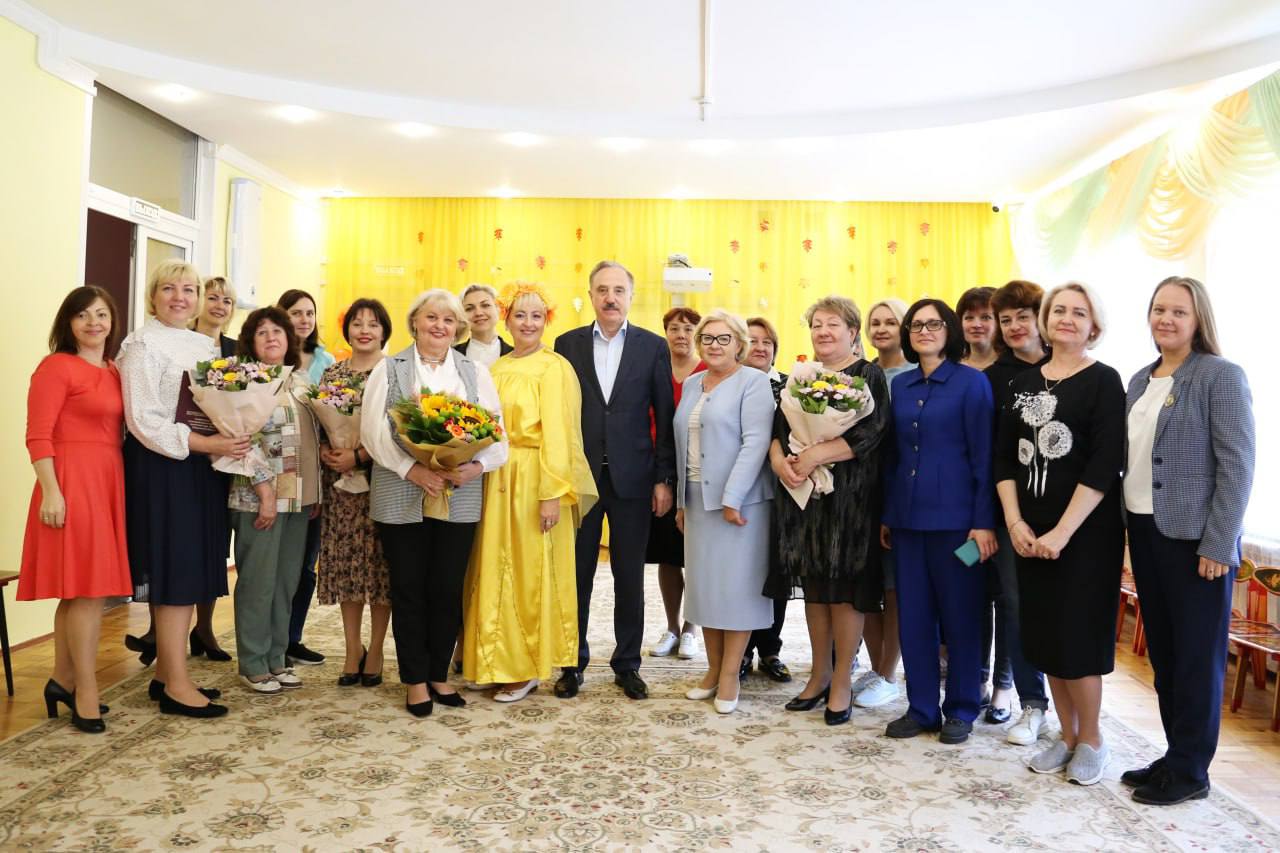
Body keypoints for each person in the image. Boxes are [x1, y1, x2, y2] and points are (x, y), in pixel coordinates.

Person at [1120, 277, 1254, 806]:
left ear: (1198, 320)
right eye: (1159, 309)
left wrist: (1219, 544)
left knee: (1197, 660)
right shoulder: (1140, 379)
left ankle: (1192, 771)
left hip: (1197, 542)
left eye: (1179, 311)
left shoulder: (1220, 375)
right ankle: (1176, 753)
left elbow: (1238, 466)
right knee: (1166, 655)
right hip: (1145, 532)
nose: (1166, 319)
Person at [995, 282, 1125, 785]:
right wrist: (1015, 522)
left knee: (1078, 639)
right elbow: (1004, 459)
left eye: (1079, 312)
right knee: (1045, 636)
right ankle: (1066, 738)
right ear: (1046, 321)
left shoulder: (1104, 380)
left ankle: (1091, 739)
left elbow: (1105, 464)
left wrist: (1063, 532)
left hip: (1085, 535)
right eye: (1059, 310)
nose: (1067, 318)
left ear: (1094, 326)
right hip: (1029, 532)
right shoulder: (1022, 383)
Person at [362, 288, 507, 717]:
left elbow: (497, 437)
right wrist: (413, 470)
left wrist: (474, 467)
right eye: (431, 317)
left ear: (458, 327)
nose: (440, 326)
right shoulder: (389, 368)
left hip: (459, 495)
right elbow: (373, 433)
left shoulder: (475, 372)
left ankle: (439, 674)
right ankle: (415, 681)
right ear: (415, 322)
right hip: (400, 492)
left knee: (446, 588)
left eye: (448, 319)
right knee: (408, 589)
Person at [119, 261, 246, 718]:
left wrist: (231, 432)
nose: (179, 297)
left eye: (188, 289)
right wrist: (207, 443)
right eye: (169, 288)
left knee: (191, 570)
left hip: (201, 468)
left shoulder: (202, 345)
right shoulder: (141, 344)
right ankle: (176, 684)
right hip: (163, 468)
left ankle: (164, 675)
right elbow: (142, 420)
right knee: (175, 570)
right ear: (153, 296)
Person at [462, 282, 596, 702]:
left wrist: (551, 493)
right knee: (492, 567)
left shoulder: (554, 368)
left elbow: (560, 434)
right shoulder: (496, 368)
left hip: (534, 479)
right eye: (520, 315)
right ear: (507, 319)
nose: (528, 323)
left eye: (536, 316)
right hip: (496, 477)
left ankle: (525, 668)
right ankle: (493, 660)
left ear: (546, 321)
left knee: (527, 572)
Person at [553, 260, 676, 701]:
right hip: (580, 479)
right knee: (576, 575)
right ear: (590, 296)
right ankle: (571, 663)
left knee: (628, 577)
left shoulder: (652, 346)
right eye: (602, 290)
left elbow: (665, 415)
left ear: (630, 297)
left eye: (618, 290)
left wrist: (663, 478)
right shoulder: (566, 344)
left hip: (634, 478)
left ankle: (627, 665)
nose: (610, 298)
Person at [765, 295, 889, 726]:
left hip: (851, 500)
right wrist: (781, 463)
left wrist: (816, 455)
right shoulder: (803, 376)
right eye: (817, 324)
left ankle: (841, 681)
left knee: (845, 590)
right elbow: (779, 428)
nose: (823, 331)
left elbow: (873, 431)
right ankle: (818, 675)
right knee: (815, 588)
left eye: (833, 324)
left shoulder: (868, 375)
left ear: (852, 332)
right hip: (804, 497)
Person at [881, 299, 996, 745]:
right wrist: (889, 515)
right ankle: (922, 708)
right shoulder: (902, 385)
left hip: (959, 527)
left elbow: (984, 458)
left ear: (949, 330)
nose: (924, 331)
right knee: (914, 618)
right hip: (908, 523)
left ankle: (962, 708)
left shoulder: (972, 383)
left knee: (961, 617)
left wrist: (983, 522)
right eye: (916, 325)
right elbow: (894, 456)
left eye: (933, 324)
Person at [19, 286, 131, 733]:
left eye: (101, 314)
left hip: (105, 482)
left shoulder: (113, 370)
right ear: (68, 322)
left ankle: (62, 680)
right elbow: (38, 435)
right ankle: (86, 690)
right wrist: (52, 491)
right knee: (87, 591)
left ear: (112, 321)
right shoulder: (55, 367)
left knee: (78, 591)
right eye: (83, 315)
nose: (93, 323)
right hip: (70, 483)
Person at [674, 310, 775, 714]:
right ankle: (713, 671)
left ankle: (731, 674)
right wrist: (682, 501)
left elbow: (756, 442)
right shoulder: (692, 382)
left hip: (740, 503)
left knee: (736, 591)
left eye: (723, 338)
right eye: (707, 338)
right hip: (696, 498)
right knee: (705, 589)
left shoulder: (754, 382)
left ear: (739, 344)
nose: (714, 345)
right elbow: (682, 444)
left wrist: (733, 497)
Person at [229, 307, 322, 693]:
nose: (271, 337)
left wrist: (314, 492)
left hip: (299, 498)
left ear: (289, 339)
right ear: (251, 342)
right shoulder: (243, 383)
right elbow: (241, 442)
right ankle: (253, 662)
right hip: (258, 498)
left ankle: (277, 657)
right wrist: (265, 492)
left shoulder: (299, 381)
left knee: (285, 582)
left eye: (277, 331)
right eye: (262, 332)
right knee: (258, 582)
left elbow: (312, 439)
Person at [984, 281, 1052, 745]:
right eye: (1005, 319)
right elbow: (994, 454)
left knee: (1060, 609)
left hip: (1069, 513)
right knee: (1013, 604)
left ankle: (1074, 709)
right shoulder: (993, 378)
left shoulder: (1071, 369)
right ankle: (1030, 701)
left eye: (1022, 317)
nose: (1013, 327)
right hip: (1008, 514)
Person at [318, 298, 394, 688]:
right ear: (347, 329)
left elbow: (397, 430)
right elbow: (320, 423)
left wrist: (359, 455)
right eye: (357, 323)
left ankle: (376, 649)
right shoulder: (333, 372)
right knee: (347, 567)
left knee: (379, 570)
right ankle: (352, 649)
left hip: (383, 484)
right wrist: (326, 450)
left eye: (373, 324)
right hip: (341, 489)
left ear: (384, 331)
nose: (364, 330)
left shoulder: (392, 372)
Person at [855, 298, 911, 709]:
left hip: (898, 492)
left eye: (891, 321)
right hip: (858, 494)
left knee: (894, 589)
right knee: (864, 586)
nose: (882, 328)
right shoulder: (861, 374)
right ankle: (875, 669)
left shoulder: (914, 375)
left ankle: (890, 673)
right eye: (875, 322)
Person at [278, 288, 333, 667]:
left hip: (317, 471)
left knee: (305, 563)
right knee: (277, 563)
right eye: (295, 312)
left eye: (309, 313)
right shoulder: (270, 358)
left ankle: (292, 637)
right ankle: (272, 639)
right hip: (278, 470)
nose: (303, 319)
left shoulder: (327, 361)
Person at [648, 307, 706, 662]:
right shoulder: (654, 369)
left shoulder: (708, 371)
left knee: (695, 556)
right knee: (668, 555)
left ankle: (690, 629)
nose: (681, 335)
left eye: (688, 329)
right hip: (658, 472)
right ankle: (671, 627)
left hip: (697, 473)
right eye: (674, 328)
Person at [738, 316, 792, 683]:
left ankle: (770, 649)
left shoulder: (792, 388)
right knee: (743, 573)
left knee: (777, 570)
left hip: (782, 492)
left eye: (767, 342)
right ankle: (740, 652)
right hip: (739, 493)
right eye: (753, 341)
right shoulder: (729, 384)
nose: (760, 347)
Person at [456, 283, 513, 366]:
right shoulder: (451, 356)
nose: (478, 313)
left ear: (498, 309)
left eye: (485, 305)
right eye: (469, 308)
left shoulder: (517, 356)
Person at [958, 286, 998, 371]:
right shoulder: (952, 367)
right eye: (969, 318)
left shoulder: (1012, 367)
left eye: (985, 317)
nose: (976, 325)